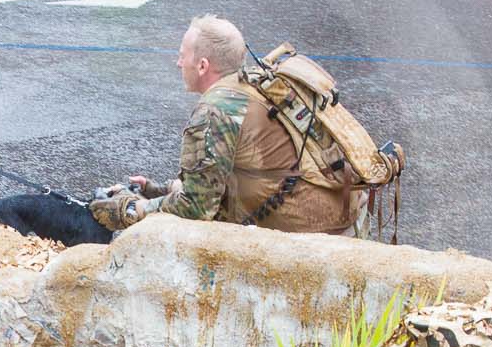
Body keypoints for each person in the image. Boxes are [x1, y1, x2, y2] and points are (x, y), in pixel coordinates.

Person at [105, 16, 375, 236]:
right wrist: (161, 190)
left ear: (202, 65)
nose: (178, 63)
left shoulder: (214, 111)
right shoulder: (254, 83)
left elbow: (197, 208)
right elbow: (224, 181)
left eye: (181, 56)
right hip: (345, 212)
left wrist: (133, 209)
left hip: (315, 235)